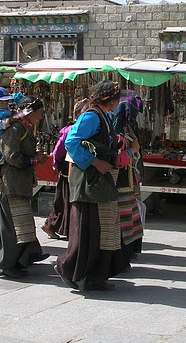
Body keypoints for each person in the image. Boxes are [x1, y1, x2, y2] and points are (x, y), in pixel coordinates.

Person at [54, 80, 138, 291]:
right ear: (110, 100)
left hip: (99, 183)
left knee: (103, 231)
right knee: (88, 233)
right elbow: (71, 142)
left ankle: (96, 276)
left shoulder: (105, 117)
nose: (119, 104)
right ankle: (69, 268)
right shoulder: (91, 116)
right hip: (89, 183)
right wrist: (94, 161)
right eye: (117, 100)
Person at [0, 95, 49, 277]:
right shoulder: (15, 128)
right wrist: (33, 159)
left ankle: (23, 259)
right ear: (29, 113)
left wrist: (35, 156)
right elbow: (11, 156)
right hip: (10, 185)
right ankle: (7, 264)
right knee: (11, 228)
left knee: (22, 225)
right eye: (38, 113)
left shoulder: (25, 128)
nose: (40, 117)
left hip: (19, 185)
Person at [41, 98, 89, 240]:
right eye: (85, 111)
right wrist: (56, 162)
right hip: (67, 169)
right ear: (79, 113)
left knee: (67, 200)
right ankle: (51, 224)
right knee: (65, 199)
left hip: (77, 168)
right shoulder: (71, 130)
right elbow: (59, 149)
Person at [113, 90, 144, 270]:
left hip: (129, 179)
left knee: (130, 218)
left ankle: (128, 254)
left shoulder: (128, 128)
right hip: (120, 181)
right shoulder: (116, 131)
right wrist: (132, 150)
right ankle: (121, 257)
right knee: (122, 220)